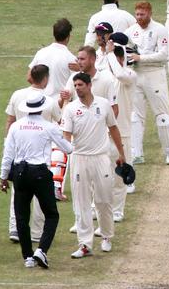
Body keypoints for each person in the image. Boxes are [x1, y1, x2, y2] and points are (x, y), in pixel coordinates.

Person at [0, 93, 73, 269]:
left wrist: (3, 177)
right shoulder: (49, 127)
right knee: (52, 214)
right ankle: (41, 250)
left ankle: (28, 257)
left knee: (21, 216)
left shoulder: (16, 126)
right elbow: (68, 148)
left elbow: (8, 154)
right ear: (41, 108)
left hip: (19, 173)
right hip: (40, 173)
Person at [61, 73, 126, 259]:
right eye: (75, 85)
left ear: (89, 85)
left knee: (104, 199)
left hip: (101, 158)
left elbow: (113, 128)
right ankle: (84, 244)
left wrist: (121, 154)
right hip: (80, 158)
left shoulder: (104, 104)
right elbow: (66, 135)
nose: (77, 88)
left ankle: (106, 236)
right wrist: (67, 151)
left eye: (80, 84)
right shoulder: (71, 109)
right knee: (81, 202)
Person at [4, 64, 61, 243]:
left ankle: (15, 229)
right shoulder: (50, 101)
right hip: (41, 154)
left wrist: (8, 144)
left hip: (19, 149)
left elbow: (10, 121)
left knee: (18, 190)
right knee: (40, 192)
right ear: (45, 79)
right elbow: (60, 122)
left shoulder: (17, 94)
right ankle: (36, 232)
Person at [124, 1, 169, 166]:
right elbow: (125, 52)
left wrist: (142, 57)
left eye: (142, 14)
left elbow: (164, 55)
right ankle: (136, 153)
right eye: (137, 14)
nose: (139, 18)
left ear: (149, 13)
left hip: (154, 74)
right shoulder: (130, 32)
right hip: (136, 75)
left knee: (162, 117)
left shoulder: (160, 29)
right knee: (135, 117)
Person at [104, 43, 136, 221]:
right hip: (102, 133)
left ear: (122, 58)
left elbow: (120, 73)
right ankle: (96, 207)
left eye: (117, 57)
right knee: (100, 175)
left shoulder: (130, 75)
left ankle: (117, 211)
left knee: (119, 175)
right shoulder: (104, 78)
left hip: (122, 133)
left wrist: (110, 55)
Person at [29, 18, 78, 98]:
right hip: (60, 104)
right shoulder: (72, 60)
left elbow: (29, 77)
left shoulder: (41, 53)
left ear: (54, 34)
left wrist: (42, 90)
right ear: (68, 37)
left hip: (42, 102)